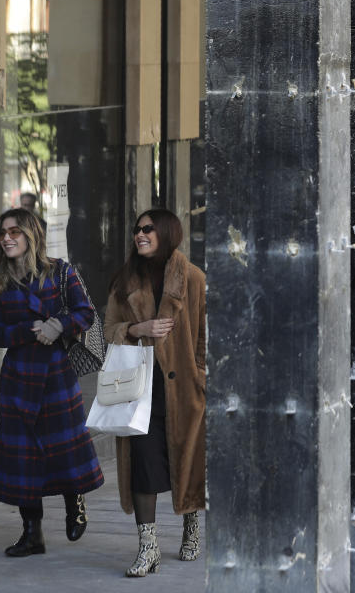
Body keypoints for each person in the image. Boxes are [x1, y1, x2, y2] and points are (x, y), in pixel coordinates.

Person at [0, 208, 104, 557]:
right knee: (23, 459)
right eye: (3, 233)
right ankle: (32, 534)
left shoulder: (60, 272)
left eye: (15, 231)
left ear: (31, 235)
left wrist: (59, 325)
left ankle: (74, 502)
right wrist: (28, 330)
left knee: (64, 447)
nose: (7, 237)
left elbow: (86, 312)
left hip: (56, 375)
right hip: (19, 377)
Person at [104, 208, 206, 577]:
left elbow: (205, 336)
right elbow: (109, 329)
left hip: (184, 394)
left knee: (187, 465)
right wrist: (136, 328)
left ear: (167, 232)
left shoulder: (193, 278)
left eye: (148, 229)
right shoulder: (125, 280)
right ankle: (148, 548)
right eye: (136, 229)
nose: (140, 234)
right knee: (143, 469)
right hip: (140, 392)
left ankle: (191, 528)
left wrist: (202, 380)